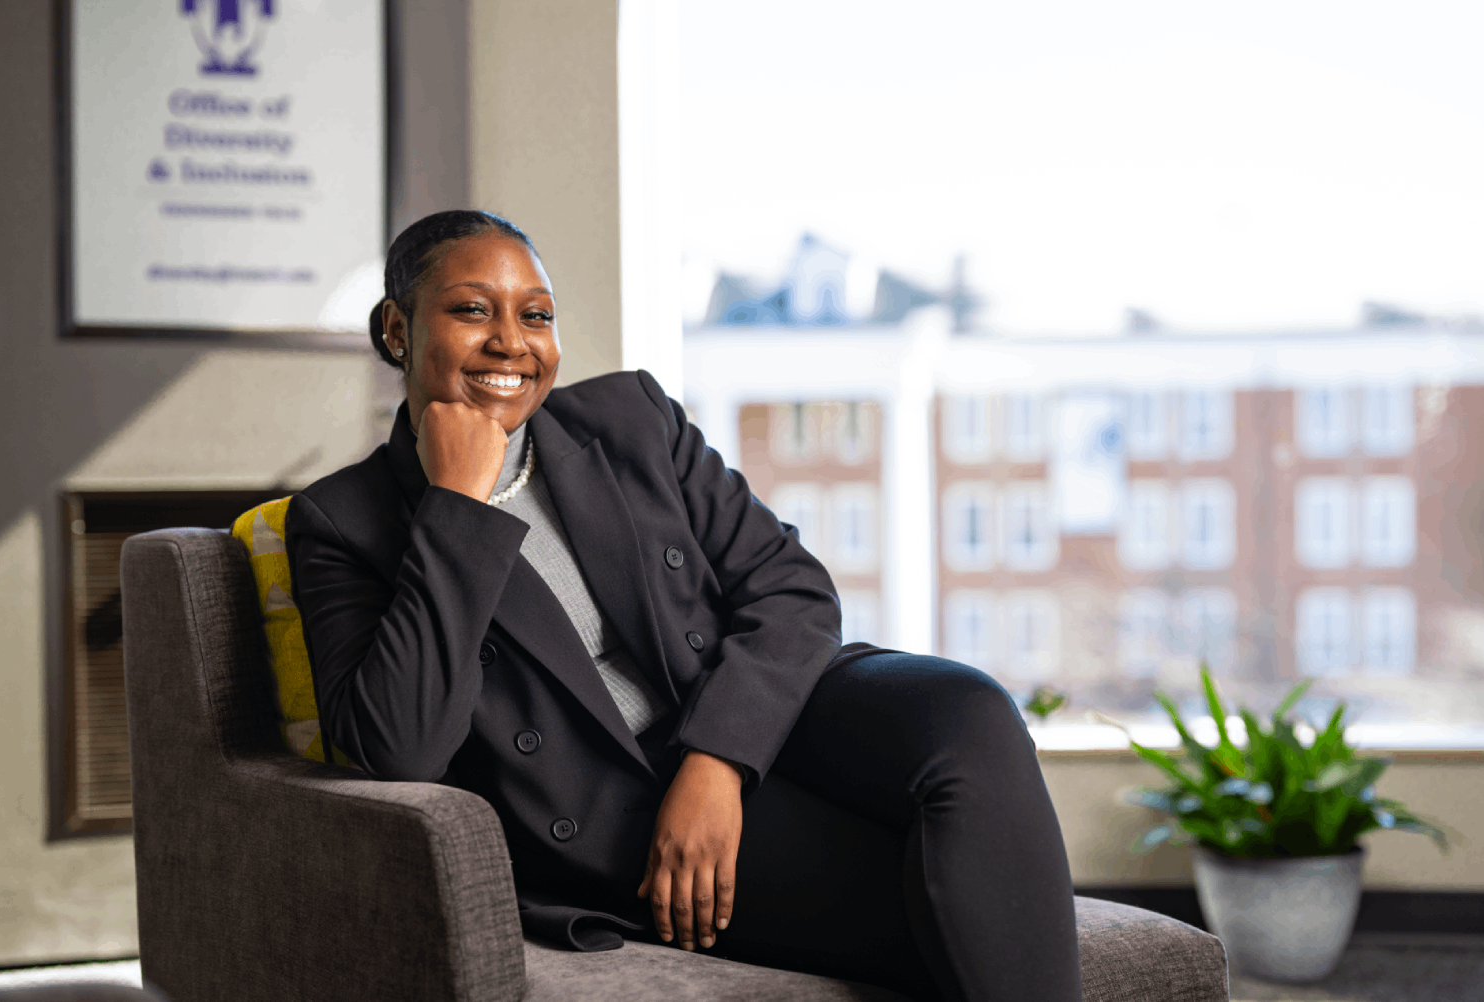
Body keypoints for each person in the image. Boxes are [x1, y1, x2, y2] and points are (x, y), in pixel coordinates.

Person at [286, 210, 1082, 1002]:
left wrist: (716, 761)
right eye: (471, 310)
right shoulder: (341, 522)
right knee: (945, 896)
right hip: (616, 810)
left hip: (757, 713)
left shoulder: (630, 419)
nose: (511, 341)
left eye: (535, 314)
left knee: (969, 710)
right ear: (396, 328)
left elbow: (787, 584)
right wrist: (458, 506)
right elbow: (399, 748)